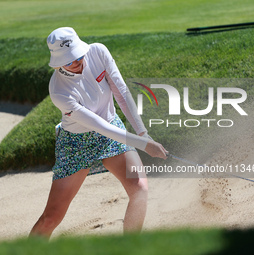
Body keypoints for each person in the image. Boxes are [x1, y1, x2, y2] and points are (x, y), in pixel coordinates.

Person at [30, 27, 168, 238]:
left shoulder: (98, 52)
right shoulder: (59, 90)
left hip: (112, 125)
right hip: (76, 143)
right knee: (52, 216)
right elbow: (98, 127)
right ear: (58, 63)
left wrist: (143, 133)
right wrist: (144, 145)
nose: (76, 62)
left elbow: (121, 93)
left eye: (78, 55)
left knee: (140, 188)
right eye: (69, 61)